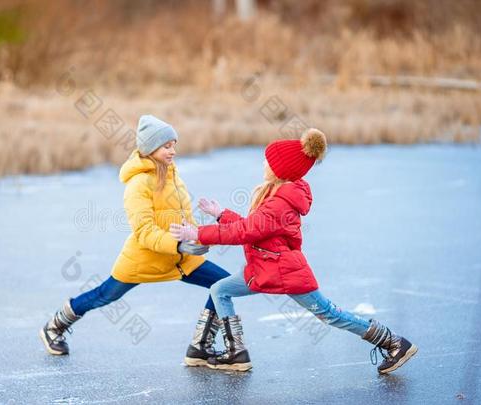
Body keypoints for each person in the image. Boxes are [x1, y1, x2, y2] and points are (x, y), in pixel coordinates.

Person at [170, 128, 417, 374]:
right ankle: (236, 352)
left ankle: (394, 343)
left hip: (283, 271)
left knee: (329, 314)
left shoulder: (280, 203)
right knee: (219, 290)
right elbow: (255, 228)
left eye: (268, 161)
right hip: (264, 267)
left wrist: (198, 234)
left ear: (281, 169)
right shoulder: (277, 195)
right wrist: (222, 214)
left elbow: (246, 231)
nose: (264, 164)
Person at [40, 115, 230, 367]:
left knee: (223, 285)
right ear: (151, 148)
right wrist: (178, 244)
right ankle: (55, 326)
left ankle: (200, 347)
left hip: (181, 259)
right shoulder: (138, 184)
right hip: (144, 259)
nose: (173, 151)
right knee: (104, 295)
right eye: (167, 146)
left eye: (174, 144)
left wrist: (197, 237)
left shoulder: (173, 175)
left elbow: (185, 219)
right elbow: (144, 231)